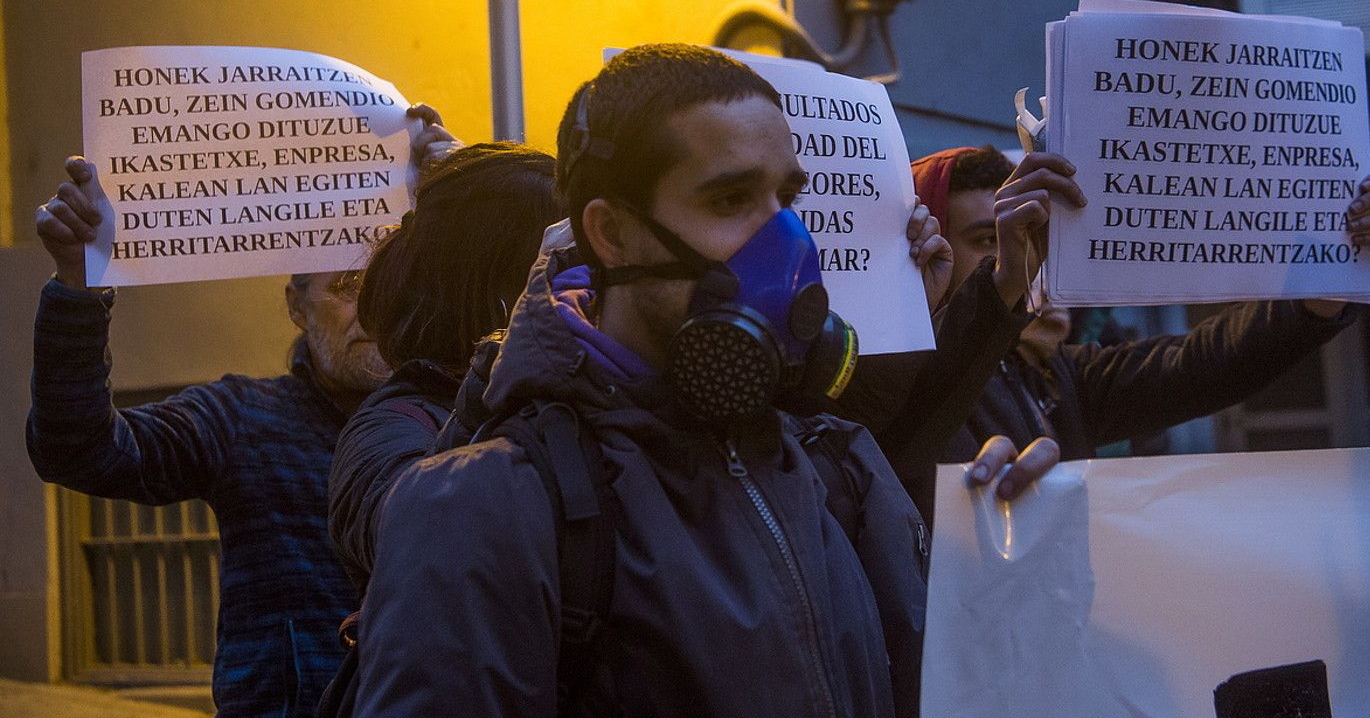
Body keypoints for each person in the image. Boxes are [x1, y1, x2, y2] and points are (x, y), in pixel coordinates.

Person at [352, 44, 1055, 718]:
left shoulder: (838, 468)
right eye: (729, 201)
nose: (786, 242)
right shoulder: (483, 506)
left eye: (786, 197)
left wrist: (990, 583)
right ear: (613, 234)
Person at [28, 159, 390, 717]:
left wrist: (471, 198)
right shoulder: (246, 417)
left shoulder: (461, 421)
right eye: (346, 286)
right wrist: (78, 283)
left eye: (389, 286)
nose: (372, 309)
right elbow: (80, 450)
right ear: (296, 305)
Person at [901, 144, 1370, 494]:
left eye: (1027, 239)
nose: (1021, 260)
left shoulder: (1049, 377)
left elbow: (1199, 366)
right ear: (927, 248)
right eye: (987, 239)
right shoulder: (888, 388)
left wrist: (1320, 295)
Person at [328, 142, 564, 594]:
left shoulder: (584, 388)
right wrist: (505, 368)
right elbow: (413, 532)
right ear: (513, 288)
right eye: (563, 266)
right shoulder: (390, 425)